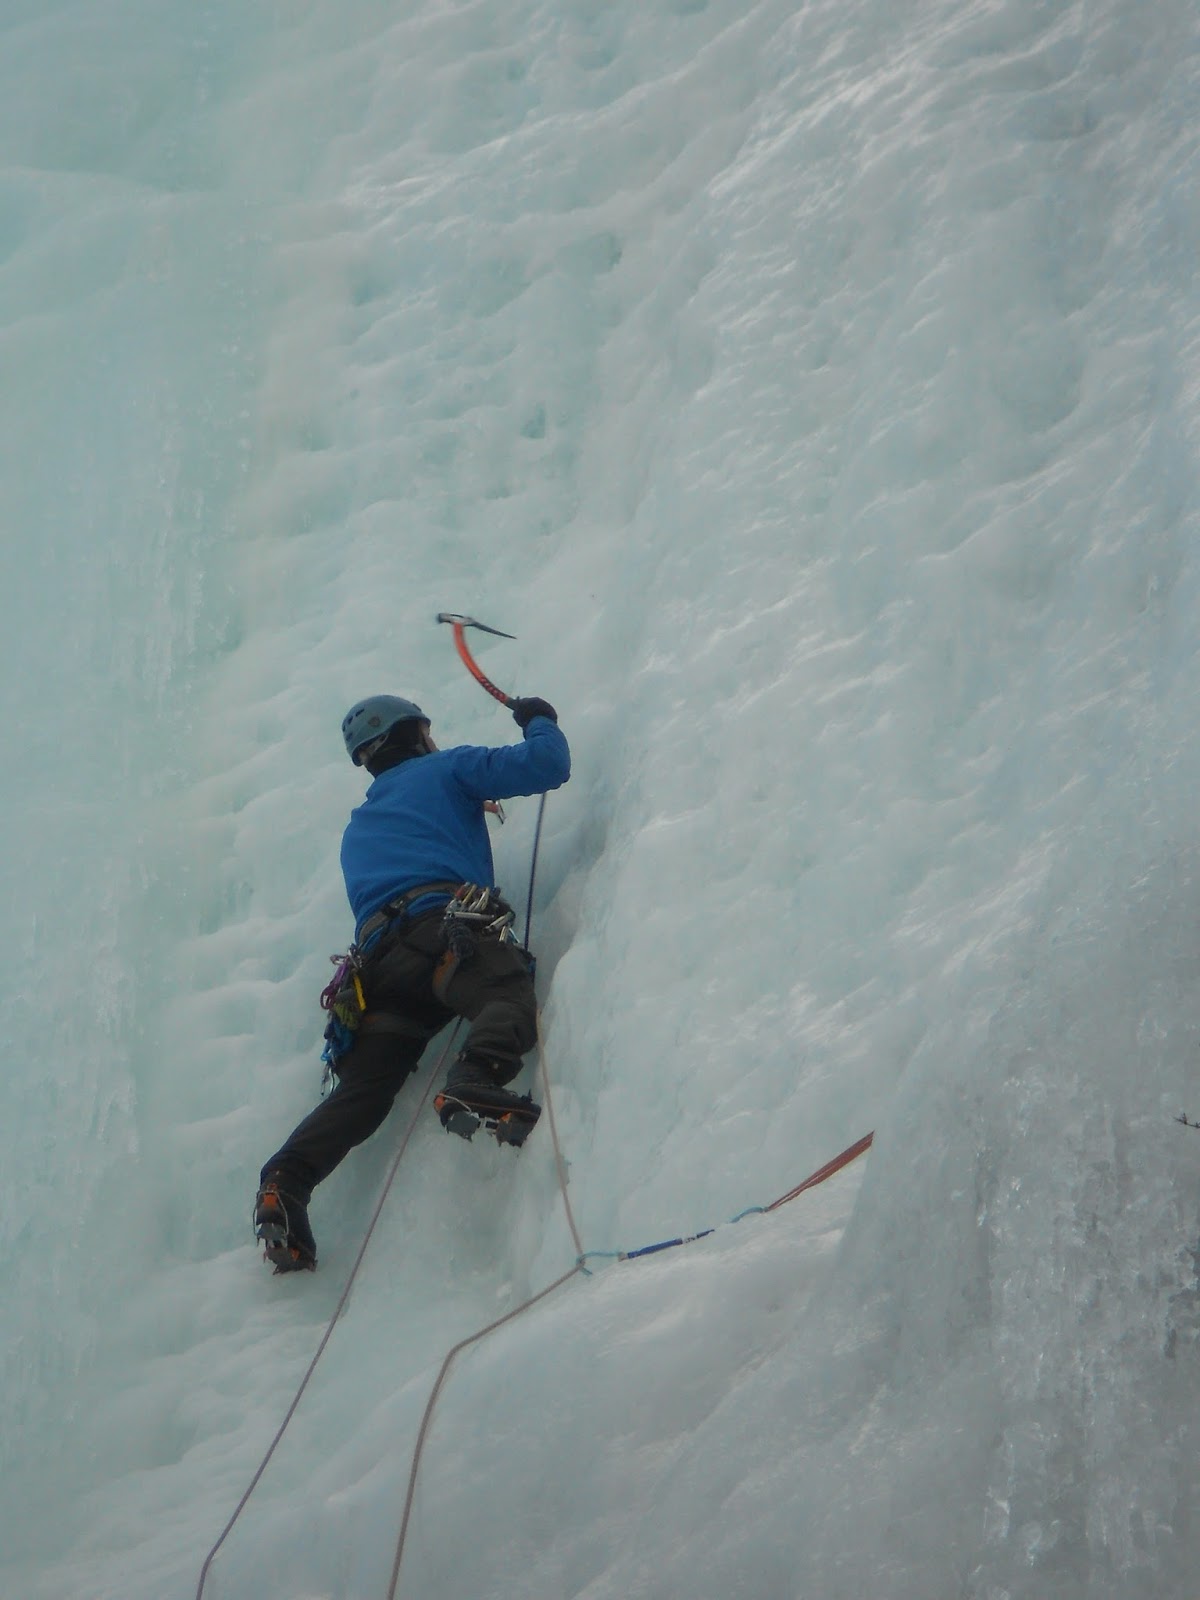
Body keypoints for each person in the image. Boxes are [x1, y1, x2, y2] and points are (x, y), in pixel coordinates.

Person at [253, 691, 570, 1272]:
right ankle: (476, 1075)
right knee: (502, 992)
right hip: (443, 932)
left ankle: (287, 1180)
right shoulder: (446, 768)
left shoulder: (361, 825)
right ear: (416, 735)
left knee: (365, 1092)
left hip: (379, 970)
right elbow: (548, 766)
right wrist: (538, 719)